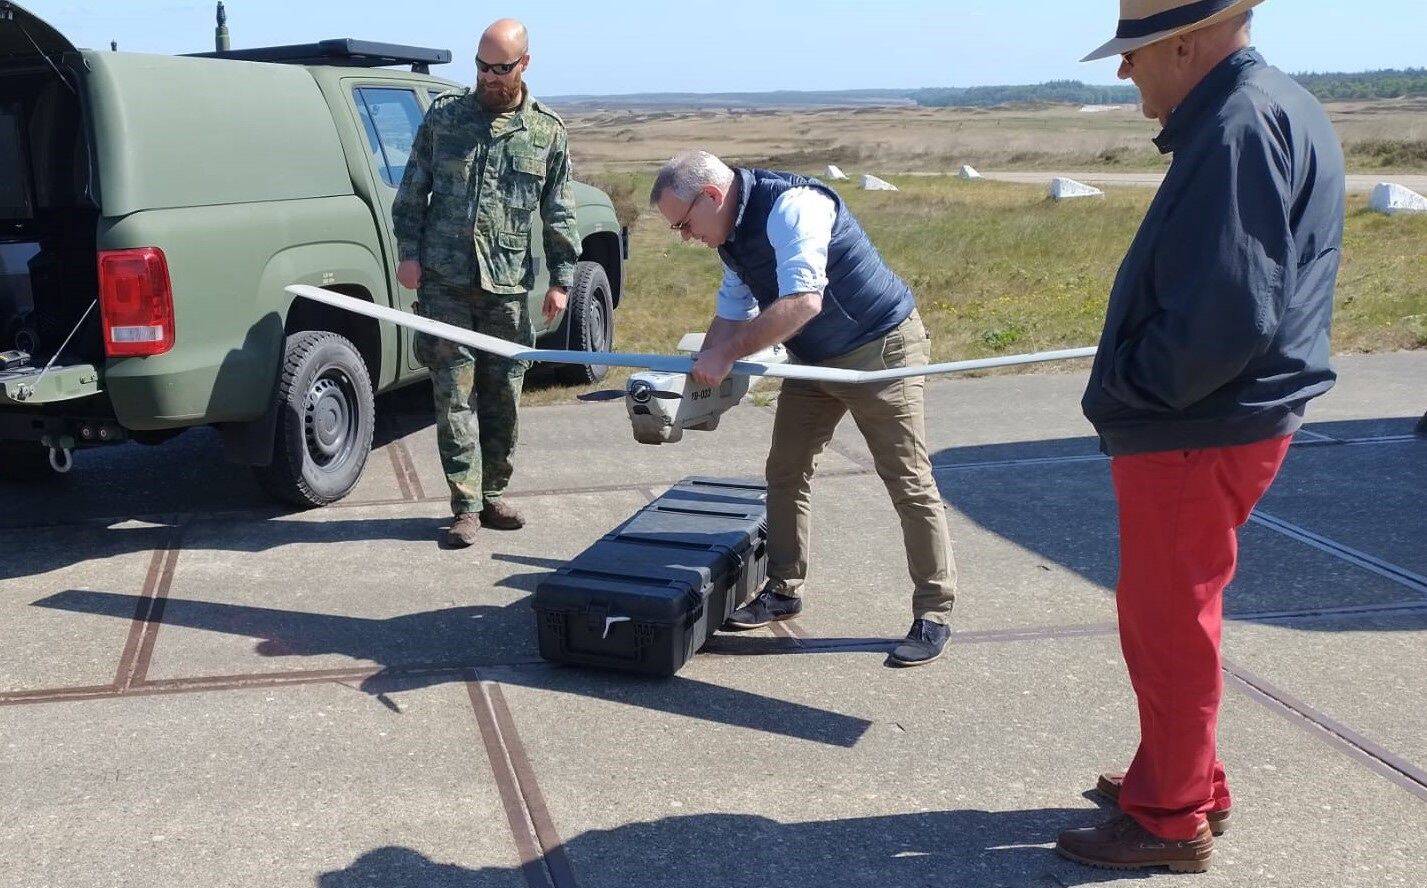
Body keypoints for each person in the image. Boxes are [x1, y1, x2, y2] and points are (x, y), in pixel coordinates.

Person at [1057, 0, 1345, 873]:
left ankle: (1168, 820)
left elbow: (1226, 312)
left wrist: (1132, 390)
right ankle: (1183, 777)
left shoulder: (1234, 124)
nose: (1124, 70)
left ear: (1183, 44)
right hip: (1218, 416)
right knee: (1170, 615)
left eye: (1134, 51)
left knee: (1167, 623)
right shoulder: (1265, 103)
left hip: (1195, 421)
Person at [649, 150, 958, 667]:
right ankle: (783, 588)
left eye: (683, 224)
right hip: (812, 359)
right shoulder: (730, 238)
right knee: (786, 470)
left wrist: (727, 355)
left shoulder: (794, 207)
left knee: (907, 479)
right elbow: (732, 312)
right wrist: (704, 366)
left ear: (711, 197)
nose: (686, 237)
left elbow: (804, 301)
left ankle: (934, 611)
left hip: (879, 351)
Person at [392, 18, 579, 548]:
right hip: (445, 283)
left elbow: (559, 211)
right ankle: (465, 506)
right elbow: (412, 191)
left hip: (507, 289)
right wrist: (409, 255)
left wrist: (562, 279)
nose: (489, 77)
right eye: (481, 66)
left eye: (501, 68)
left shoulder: (546, 132)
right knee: (453, 396)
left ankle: (493, 493)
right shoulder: (445, 119)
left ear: (524, 64)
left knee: (504, 397)